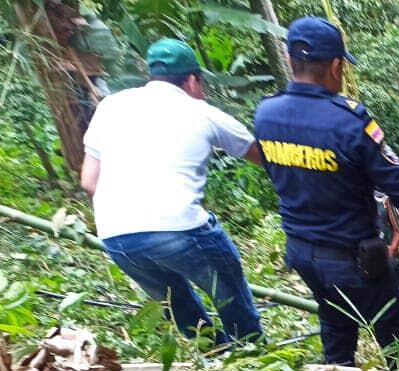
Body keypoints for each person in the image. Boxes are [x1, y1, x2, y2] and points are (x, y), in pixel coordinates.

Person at [252, 17, 399, 366]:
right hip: (355, 261)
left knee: (335, 324)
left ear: (289, 59)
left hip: (302, 254)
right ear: (335, 66)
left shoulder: (266, 114)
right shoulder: (349, 121)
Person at [80, 38, 263, 345]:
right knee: (231, 296)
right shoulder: (202, 112)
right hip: (179, 230)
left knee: (179, 308)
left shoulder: (110, 105)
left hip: (117, 237)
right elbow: (262, 157)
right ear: (192, 80)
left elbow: (89, 182)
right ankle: (251, 349)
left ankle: (214, 355)